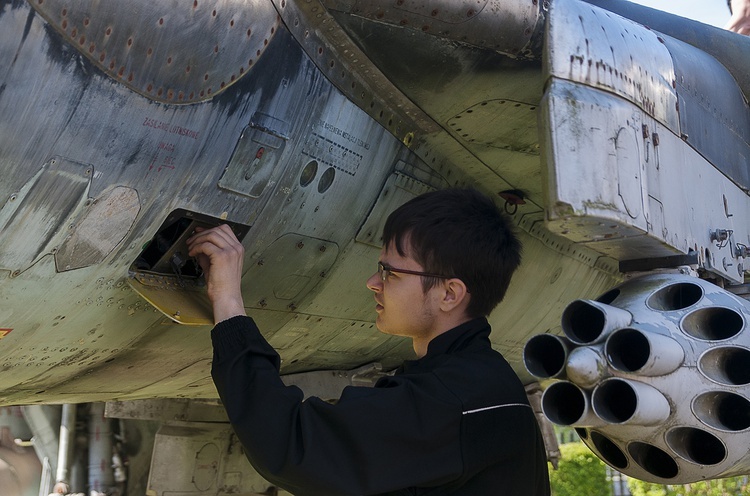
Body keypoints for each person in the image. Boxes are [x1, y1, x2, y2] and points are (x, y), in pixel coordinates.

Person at [187, 188, 550, 495]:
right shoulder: (487, 383)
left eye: (389, 272)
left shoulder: (451, 400)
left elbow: (290, 443)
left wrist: (228, 301)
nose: (372, 283)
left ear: (450, 294)